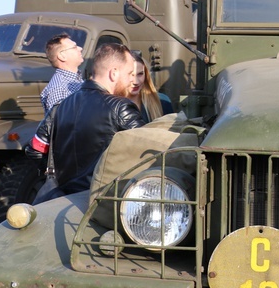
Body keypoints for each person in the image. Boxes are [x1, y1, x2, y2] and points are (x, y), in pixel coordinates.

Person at [27, 43, 145, 196]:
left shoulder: (59, 107)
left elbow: (35, 149)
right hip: (103, 201)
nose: (132, 80)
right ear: (114, 73)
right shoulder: (120, 107)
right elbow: (146, 153)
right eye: (129, 73)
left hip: (62, 198)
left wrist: (58, 176)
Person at [40, 33, 84, 114]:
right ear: (62, 56)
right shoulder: (59, 89)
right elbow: (61, 123)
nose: (80, 48)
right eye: (74, 47)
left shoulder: (77, 79)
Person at [127, 51, 174, 123]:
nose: (136, 82)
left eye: (140, 74)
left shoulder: (162, 101)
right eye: (130, 74)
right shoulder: (110, 105)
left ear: (146, 75)